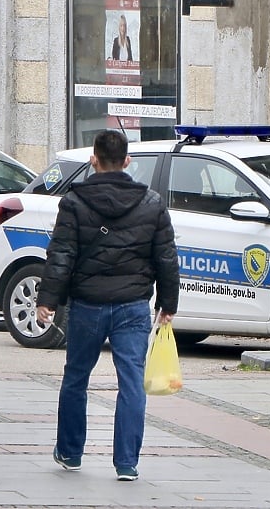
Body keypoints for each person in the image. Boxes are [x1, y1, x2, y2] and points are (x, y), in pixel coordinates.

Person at [35, 129, 179, 481]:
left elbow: (61, 255)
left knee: (76, 377)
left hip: (87, 304)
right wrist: (168, 302)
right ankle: (126, 462)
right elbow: (166, 256)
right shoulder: (151, 202)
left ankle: (70, 453)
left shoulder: (74, 202)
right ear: (128, 161)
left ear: (93, 160)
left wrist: (47, 300)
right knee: (131, 381)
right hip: (132, 306)